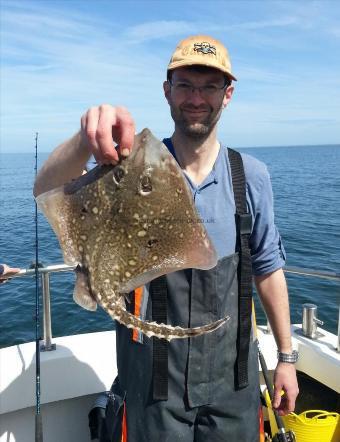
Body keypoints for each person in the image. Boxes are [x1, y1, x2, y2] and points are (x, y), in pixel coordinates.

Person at [34, 35, 299, 441]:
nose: (197, 97)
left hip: (236, 384)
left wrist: (287, 356)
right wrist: (85, 140)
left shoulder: (251, 176)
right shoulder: (128, 163)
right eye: (185, 85)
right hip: (152, 390)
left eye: (209, 86)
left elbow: (267, 269)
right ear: (167, 91)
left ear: (227, 95)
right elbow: (46, 189)